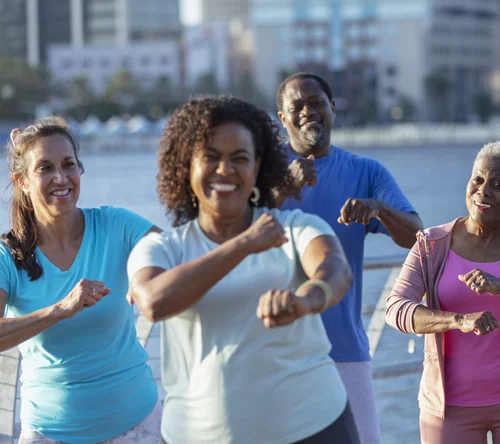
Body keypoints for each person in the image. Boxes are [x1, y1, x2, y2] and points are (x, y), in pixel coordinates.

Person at [127, 96, 359, 444]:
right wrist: (243, 244)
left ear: (257, 167)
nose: (225, 170)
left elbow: (335, 271)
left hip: (315, 427)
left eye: (239, 158)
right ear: (186, 164)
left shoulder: (295, 227)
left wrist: (305, 302)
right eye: (211, 157)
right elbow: (154, 302)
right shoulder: (162, 248)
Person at [275, 72, 423, 443]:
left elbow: (415, 235)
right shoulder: (260, 169)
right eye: (297, 106)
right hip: (274, 353)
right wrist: (282, 188)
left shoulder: (366, 172)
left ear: (333, 109)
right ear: (282, 119)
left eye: (317, 103)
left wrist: (377, 209)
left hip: (344, 348)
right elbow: (230, 232)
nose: (309, 111)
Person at [385, 141, 500, 444]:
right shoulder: (430, 244)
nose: (483, 191)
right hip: (448, 409)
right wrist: (459, 320)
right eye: (477, 180)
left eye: (498, 184)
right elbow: (395, 309)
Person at [0, 117, 161, 444]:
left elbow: (179, 252)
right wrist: (60, 310)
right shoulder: (8, 256)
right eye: (44, 168)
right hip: (48, 433)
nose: (61, 178)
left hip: (138, 426)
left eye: (68, 164)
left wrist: (147, 273)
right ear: (23, 181)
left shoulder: (116, 225)